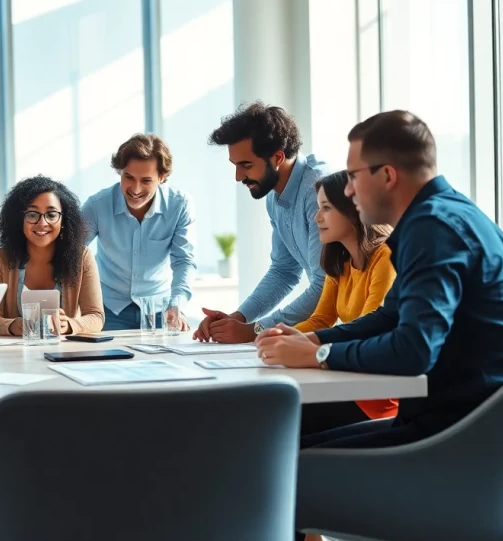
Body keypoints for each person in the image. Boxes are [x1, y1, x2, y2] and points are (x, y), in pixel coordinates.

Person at [256, 110, 503, 451]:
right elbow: (387, 317)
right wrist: (313, 340)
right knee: (281, 444)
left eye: (353, 176)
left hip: (464, 436)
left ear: (388, 175)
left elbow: (413, 350)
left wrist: (319, 356)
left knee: (278, 457)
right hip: (458, 418)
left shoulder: (433, 228)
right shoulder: (443, 215)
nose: (348, 190)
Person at [193, 102, 327, 344]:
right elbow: (284, 272)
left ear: (277, 157)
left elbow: (325, 285)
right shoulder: (275, 196)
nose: (238, 177)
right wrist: (238, 319)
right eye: (235, 166)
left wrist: (256, 330)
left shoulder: (318, 191)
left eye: (246, 165)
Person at [289, 171, 398, 437]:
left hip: (375, 397)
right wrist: (279, 335)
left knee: (283, 420)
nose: (317, 218)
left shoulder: (386, 257)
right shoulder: (340, 260)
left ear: (353, 210)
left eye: (326, 208)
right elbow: (320, 320)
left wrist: (302, 345)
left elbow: (373, 326)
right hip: (349, 379)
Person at [82, 134, 196, 331]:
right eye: (128, 177)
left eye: (146, 180)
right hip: (108, 310)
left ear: (162, 178)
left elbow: (183, 261)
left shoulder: (180, 205)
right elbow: (71, 255)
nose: (135, 188)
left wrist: (177, 304)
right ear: (120, 172)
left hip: (161, 310)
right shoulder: (96, 206)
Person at [0, 175, 105, 336]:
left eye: (51, 214)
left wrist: (69, 324)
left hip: (65, 355)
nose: (42, 223)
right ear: (19, 219)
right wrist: (13, 325)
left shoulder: (81, 257)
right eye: (33, 214)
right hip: (13, 355)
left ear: (64, 220)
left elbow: (96, 317)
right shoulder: (0, 258)